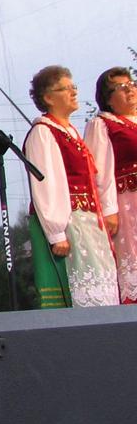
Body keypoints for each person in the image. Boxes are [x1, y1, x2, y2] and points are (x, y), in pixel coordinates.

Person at [24, 65, 119, 308]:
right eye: (65, 88)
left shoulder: (68, 131)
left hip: (86, 219)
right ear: (48, 97)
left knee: (101, 283)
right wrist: (57, 233)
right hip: (68, 221)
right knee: (81, 286)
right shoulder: (43, 132)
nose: (73, 92)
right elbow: (47, 185)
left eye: (73, 87)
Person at [85, 67, 137, 304]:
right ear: (107, 98)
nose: (130, 90)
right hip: (128, 206)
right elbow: (99, 172)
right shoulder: (103, 124)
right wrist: (108, 211)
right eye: (121, 88)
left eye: (132, 84)